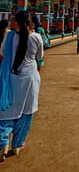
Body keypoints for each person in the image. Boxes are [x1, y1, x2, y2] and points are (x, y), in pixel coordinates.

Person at [0, 11, 44, 162]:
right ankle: (17, 145)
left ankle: (2, 144)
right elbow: (39, 58)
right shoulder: (36, 37)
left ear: (16, 23)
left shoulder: (10, 36)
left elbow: (2, 53)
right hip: (30, 79)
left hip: (11, 78)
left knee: (6, 111)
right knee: (27, 111)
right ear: (31, 24)